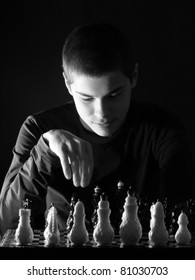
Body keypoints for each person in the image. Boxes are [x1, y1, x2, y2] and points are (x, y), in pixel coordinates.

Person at [0, 22, 194, 236]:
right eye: (86, 98)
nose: (101, 113)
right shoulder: (38, 129)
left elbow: (187, 215)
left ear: (135, 76)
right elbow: (5, 222)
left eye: (114, 95)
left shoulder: (163, 129)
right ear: (67, 84)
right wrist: (44, 151)